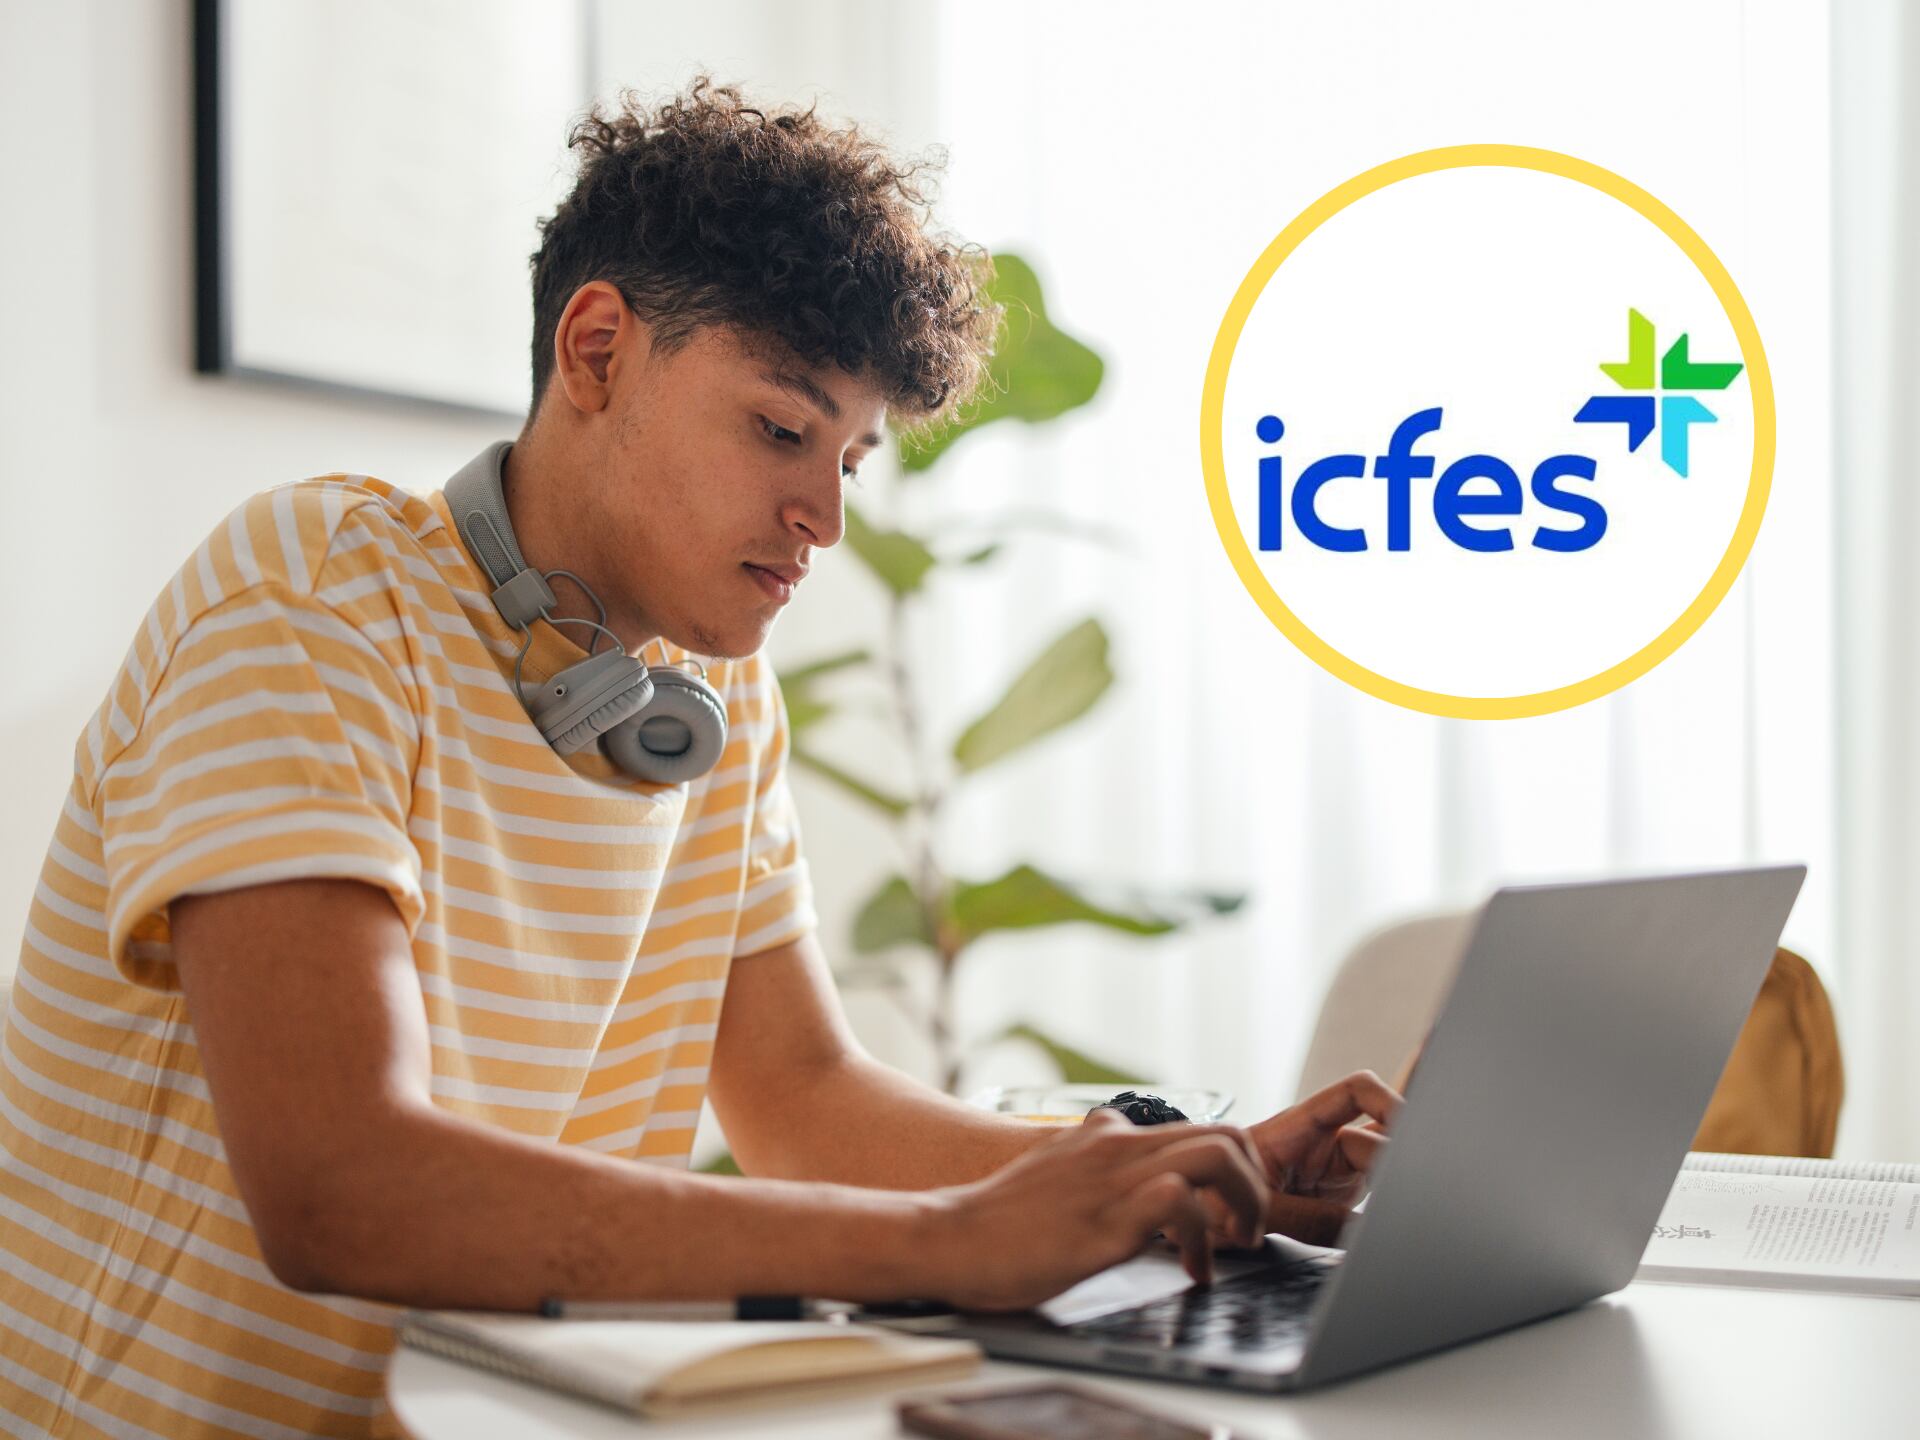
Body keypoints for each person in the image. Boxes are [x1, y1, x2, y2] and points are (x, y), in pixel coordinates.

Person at [0, 79, 1400, 1438]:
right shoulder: (312, 599)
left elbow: (802, 1103)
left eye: (845, 461)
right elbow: (341, 1188)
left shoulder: (705, 690)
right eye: (781, 429)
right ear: (596, 351)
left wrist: (1182, 1184)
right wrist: (952, 1242)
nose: (821, 520)